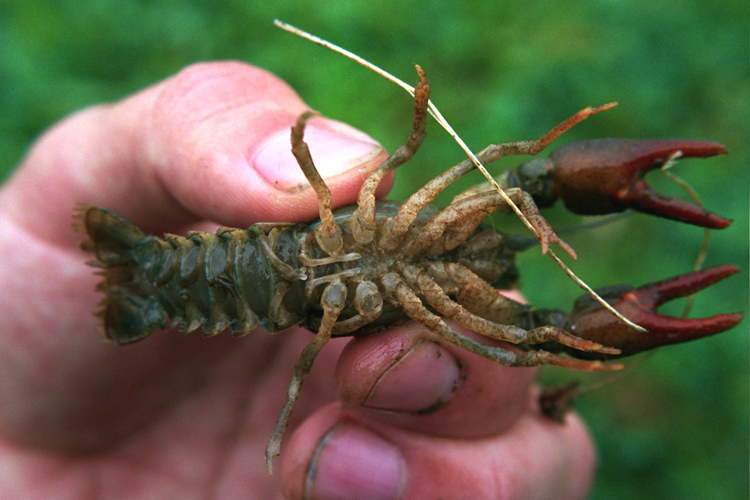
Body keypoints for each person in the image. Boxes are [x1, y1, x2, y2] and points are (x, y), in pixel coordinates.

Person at [0, 61, 596, 500]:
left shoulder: (446, 295)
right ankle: (148, 280)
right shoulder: (438, 234)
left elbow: (502, 335)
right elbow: (490, 161)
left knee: (516, 339)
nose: (494, 260)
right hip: (227, 269)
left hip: (294, 295)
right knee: (515, 316)